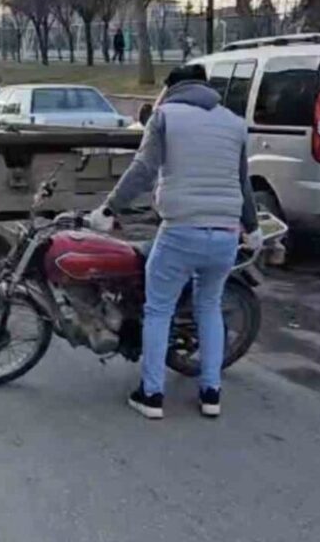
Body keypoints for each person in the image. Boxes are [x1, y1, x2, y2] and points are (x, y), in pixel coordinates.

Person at [87, 64, 261, 420]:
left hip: (182, 230)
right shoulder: (233, 122)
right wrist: (252, 227)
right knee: (209, 308)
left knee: (158, 310)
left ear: (170, 88)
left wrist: (109, 208)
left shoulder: (165, 116)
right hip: (226, 234)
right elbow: (243, 183)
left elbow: (143, 169)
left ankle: (152, 395)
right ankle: (211, 392)